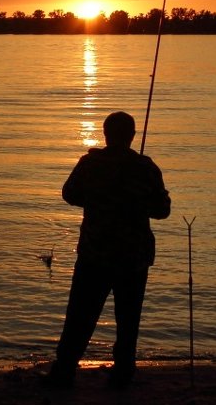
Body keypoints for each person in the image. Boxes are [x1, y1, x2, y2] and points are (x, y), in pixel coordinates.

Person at [49, 111, 171, 388]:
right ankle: (123, 372)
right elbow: (162, 210)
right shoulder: (145, 167)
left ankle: (65, 370)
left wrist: (96, 201)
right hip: (133, 258)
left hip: (95, 254)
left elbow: (69, 194)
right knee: (128, 319)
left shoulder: (91, 164)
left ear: (106, 134)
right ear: (132, 136)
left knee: (80, 315)